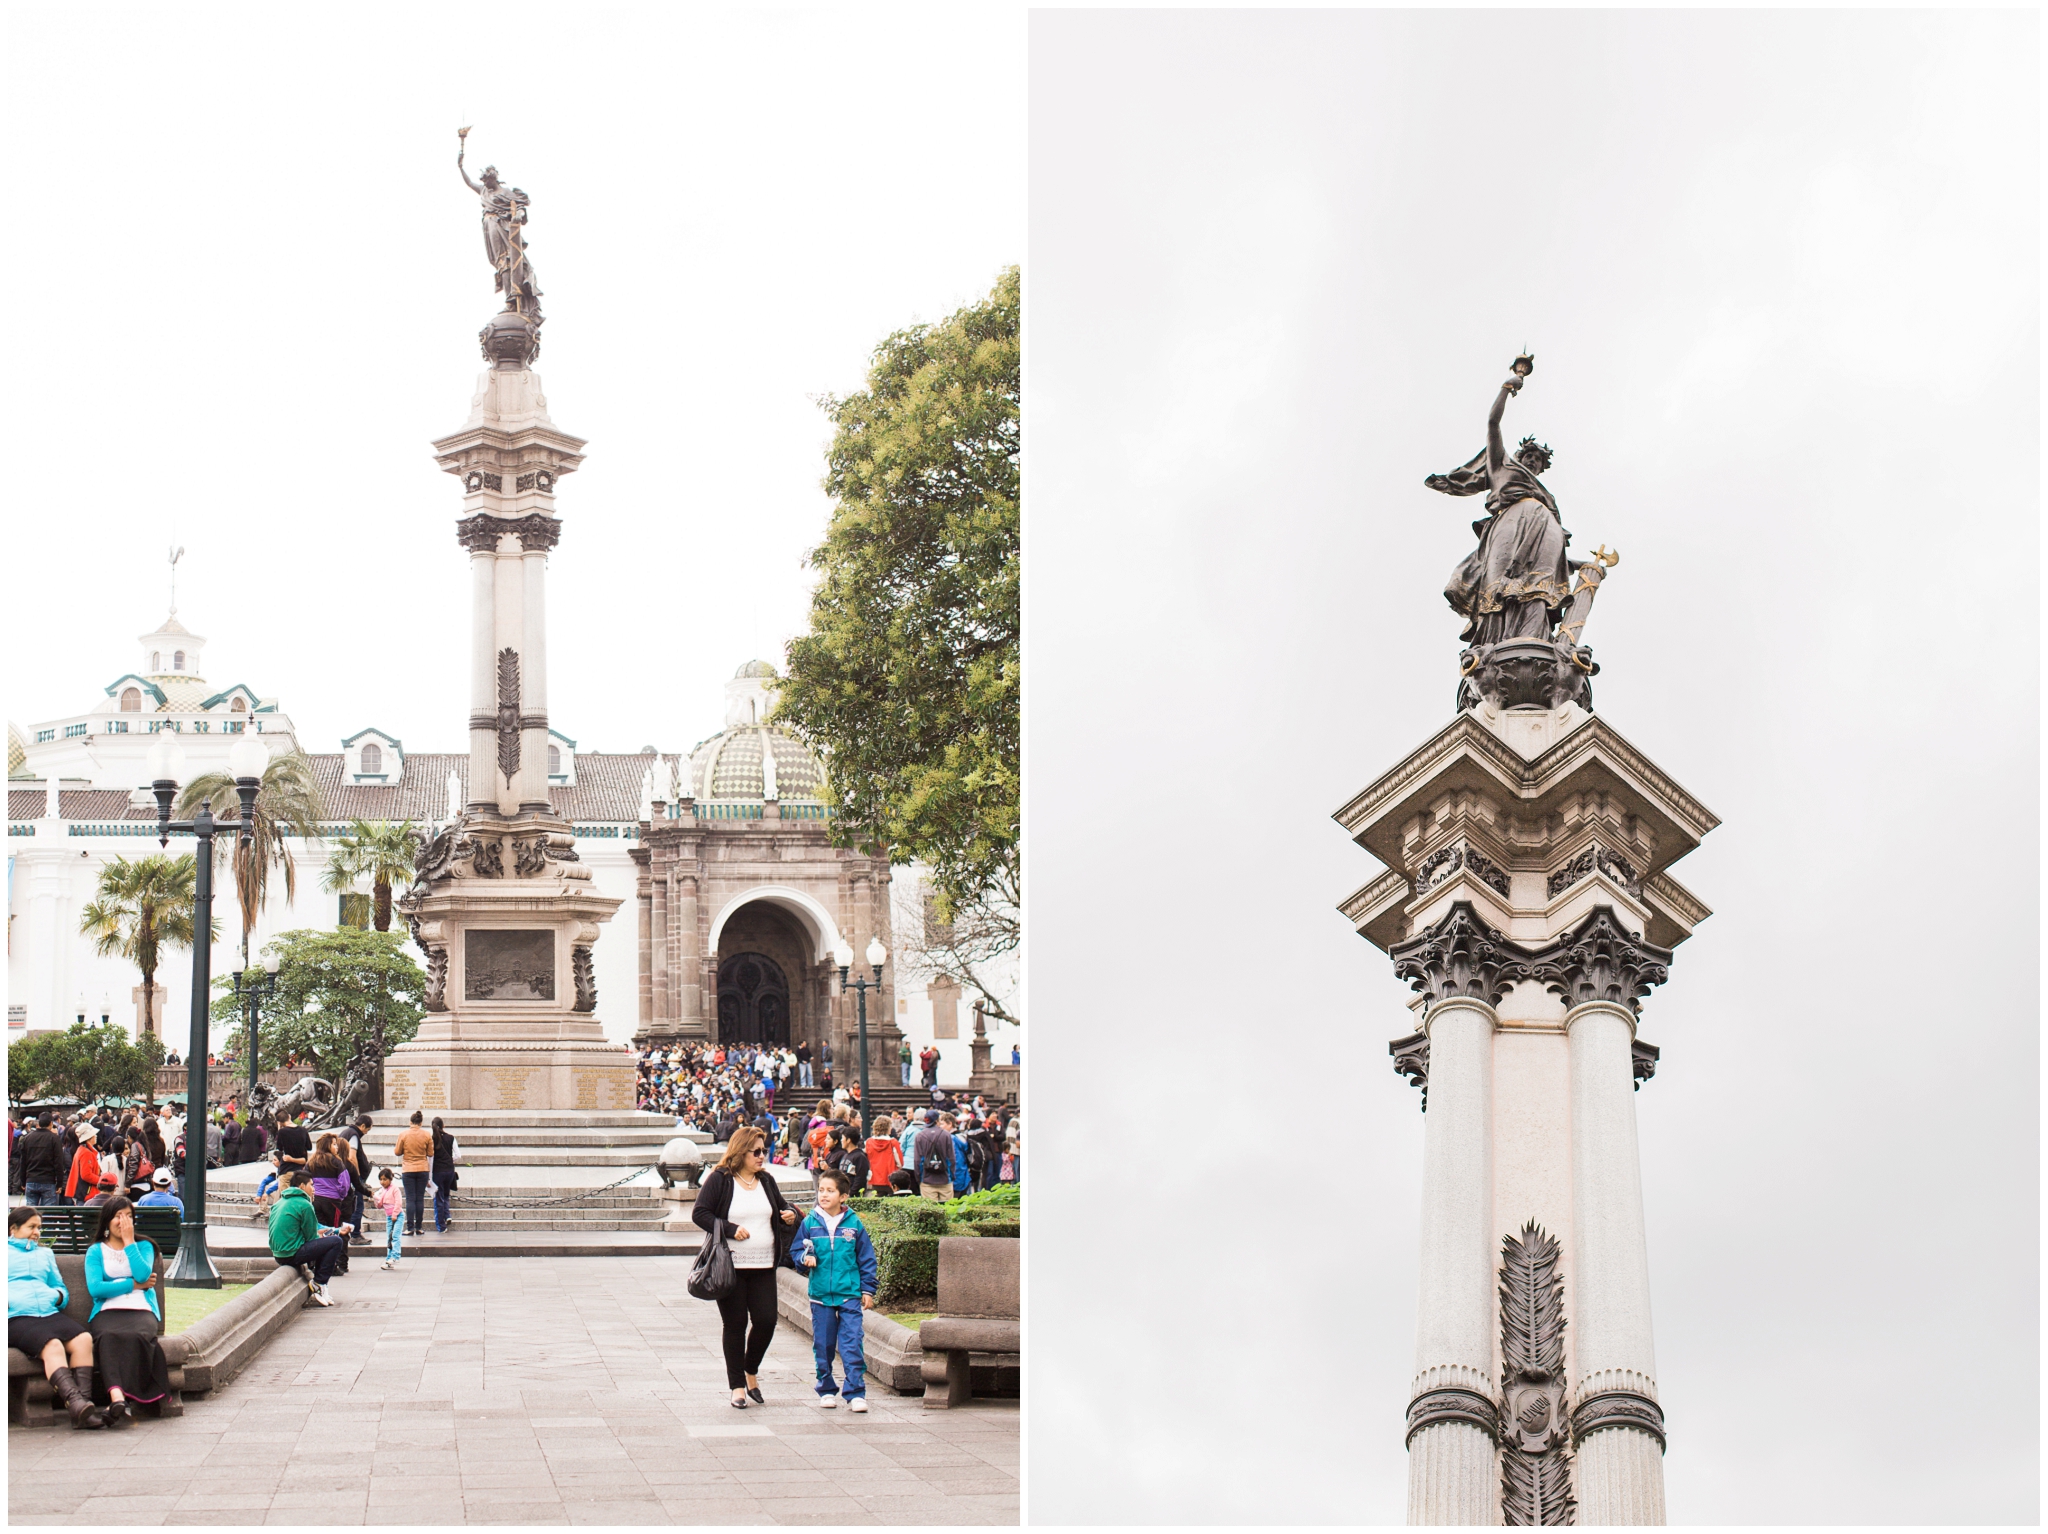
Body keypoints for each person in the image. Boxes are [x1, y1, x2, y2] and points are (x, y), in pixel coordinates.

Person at [691, 1125, 798, 1411]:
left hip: (764, 1265)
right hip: (731, 1266)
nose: (763, 1156)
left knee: (766, 1322)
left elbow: (782, 1209)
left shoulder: (766, 1180)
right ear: (741, 1152)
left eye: (764, 1150)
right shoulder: (721, 1179)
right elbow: (700, 1213)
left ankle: (751, 1370)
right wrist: (730, 1228)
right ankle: (737, 1385)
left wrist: (790, 1215)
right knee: (736, 1325)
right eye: (757, 1151)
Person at [8, 1207, 105, 1429]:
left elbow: (60, 1287)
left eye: (39, 1227)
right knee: (52, 1345)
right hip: (16, 1317)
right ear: (13, 1229)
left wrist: (57, 1296)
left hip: (49, 1312)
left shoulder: (45, 1254)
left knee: (83, 1339)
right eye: (31, 1227)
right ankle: (76, 1404)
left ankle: (83, 1406)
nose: (36, 1232)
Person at [790, 1168, 877, 1413]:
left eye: (830, 1191)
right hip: (820, 1295)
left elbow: (866, 1258)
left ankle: (855, 1392)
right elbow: (796, 1250)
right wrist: (804, 1259)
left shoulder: (853, 1223)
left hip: (849, 1293)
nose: (824, 1195)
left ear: (844, 1196)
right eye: (821, 1190)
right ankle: (826, 1389)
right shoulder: (810, 1222)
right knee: (824, 1344)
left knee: (851, 1342)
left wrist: (868, 1290)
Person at [84, 1197, 172, 1425]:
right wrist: (132, 1284)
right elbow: (96, 1289)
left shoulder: (145, 1247)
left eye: (129, 1216)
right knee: (108, 1337)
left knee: (137, 1336)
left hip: (141, 1308)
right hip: (107, 1311)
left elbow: (143, 1274)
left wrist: (129, 1241)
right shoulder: (96, 1251)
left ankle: (127, 1398)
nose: (123, 1221)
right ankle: (117, 1398)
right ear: (107, 1220)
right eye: (118, 1216)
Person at [267, 1171, 342, 1306]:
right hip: (292, 1253)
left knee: (326, 1241)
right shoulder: (304, 1204)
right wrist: (327, 1234)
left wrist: (329, 1232)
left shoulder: (280, 1202)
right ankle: (319, 1283)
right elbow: (311, 1237)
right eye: (311, 1185)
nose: (314, 1189)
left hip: (278, 1254)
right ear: (302, 1186)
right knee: (336, 1242)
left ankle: (320, 1285)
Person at [306, 1136, 354, 1276]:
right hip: (332, 1202)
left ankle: (315, 1262)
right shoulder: (336, 1162)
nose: (336, 1147)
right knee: (332, 1232)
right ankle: (331, 1265)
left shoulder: (311, 1162)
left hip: (316, 1200)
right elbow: (345, 1183)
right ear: (327, 1146)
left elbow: (305, 1179)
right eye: (334, 1144)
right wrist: (340, 1195)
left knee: (319, 1231)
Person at [394, 1111, 433, 1238]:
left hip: (408, 1169)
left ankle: (410, 1227)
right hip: (422, 1169)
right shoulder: (427, 1135)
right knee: (419, 1198)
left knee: (410, 1198)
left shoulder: (403, 1135)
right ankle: (419, 1227)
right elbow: (431, 1153)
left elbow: (397, 1152)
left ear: (410, 1122)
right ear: (421, 1123)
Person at [19, 1113, 63, 1207]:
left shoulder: (28, 1138)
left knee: (31, 1212)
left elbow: (23, 1161)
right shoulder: (54, 1138)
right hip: (48, 1180)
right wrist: (59, 1183)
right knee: (49, 1214)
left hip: (31, 1179)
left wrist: (23, 1181)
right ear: (51, 1123)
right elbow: (58, 1162)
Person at [912, 1110, 956, 1203]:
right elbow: (951, 1158)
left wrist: (919, 1178)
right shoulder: (946, 1135)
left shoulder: (919, 1136)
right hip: (945, 1178)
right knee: (947, 1210)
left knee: (930, 1211)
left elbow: (917, 1160)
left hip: (927, 1179)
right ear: (937, 1120)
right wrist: (952, 1176)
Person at [429, 1117, 460, 1234]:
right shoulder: (451, 1138)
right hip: (449, 1171)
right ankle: (447, 1215)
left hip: (437, 1172)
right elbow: (458, 1155)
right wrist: (449, 1160)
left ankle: (441, 1226)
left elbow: (430, 1159)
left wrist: (429, 1175)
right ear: (443, 1126)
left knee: (438, 1199)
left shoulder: (432, 1140)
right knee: (446, 1194)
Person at [63, 1122, 102, 1206]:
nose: (96, 1136)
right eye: (94, 1134)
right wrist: (101, 1180)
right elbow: (86, 1175)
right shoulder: (86, 1152)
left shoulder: (83, 1149)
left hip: (83, 1193)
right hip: (86, 1193)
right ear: (89, 1137)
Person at [372, 1170, 404, 1270]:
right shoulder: (383, 1190)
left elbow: (398, 1202)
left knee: (395, 1236)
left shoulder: (395, 1189)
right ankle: (389, 1259)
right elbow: (380, 1204)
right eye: (380, 1179)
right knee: (389, 1238)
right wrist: (375, 1198)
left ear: (390, 1179)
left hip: (398, 1216)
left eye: (385, 1179)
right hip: (389, 1217)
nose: (382, 1182)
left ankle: (395, 1256)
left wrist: (395, 1214)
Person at [864, 1116, 902, 1194]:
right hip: (890, 1179)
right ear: (887, 1128)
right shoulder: (893, 1143)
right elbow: (900, 1163)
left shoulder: (868, 1142)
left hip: (874, 1179)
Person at [274, 1110, 312, 1181]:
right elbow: (309, 1147)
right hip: (301, 1169)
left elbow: (279, 1148)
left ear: (279, 1122)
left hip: (287, 1169)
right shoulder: (303, 1130)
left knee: (285, 1191)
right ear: (289, 1116)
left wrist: (279, 1129)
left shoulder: (282, 1132)